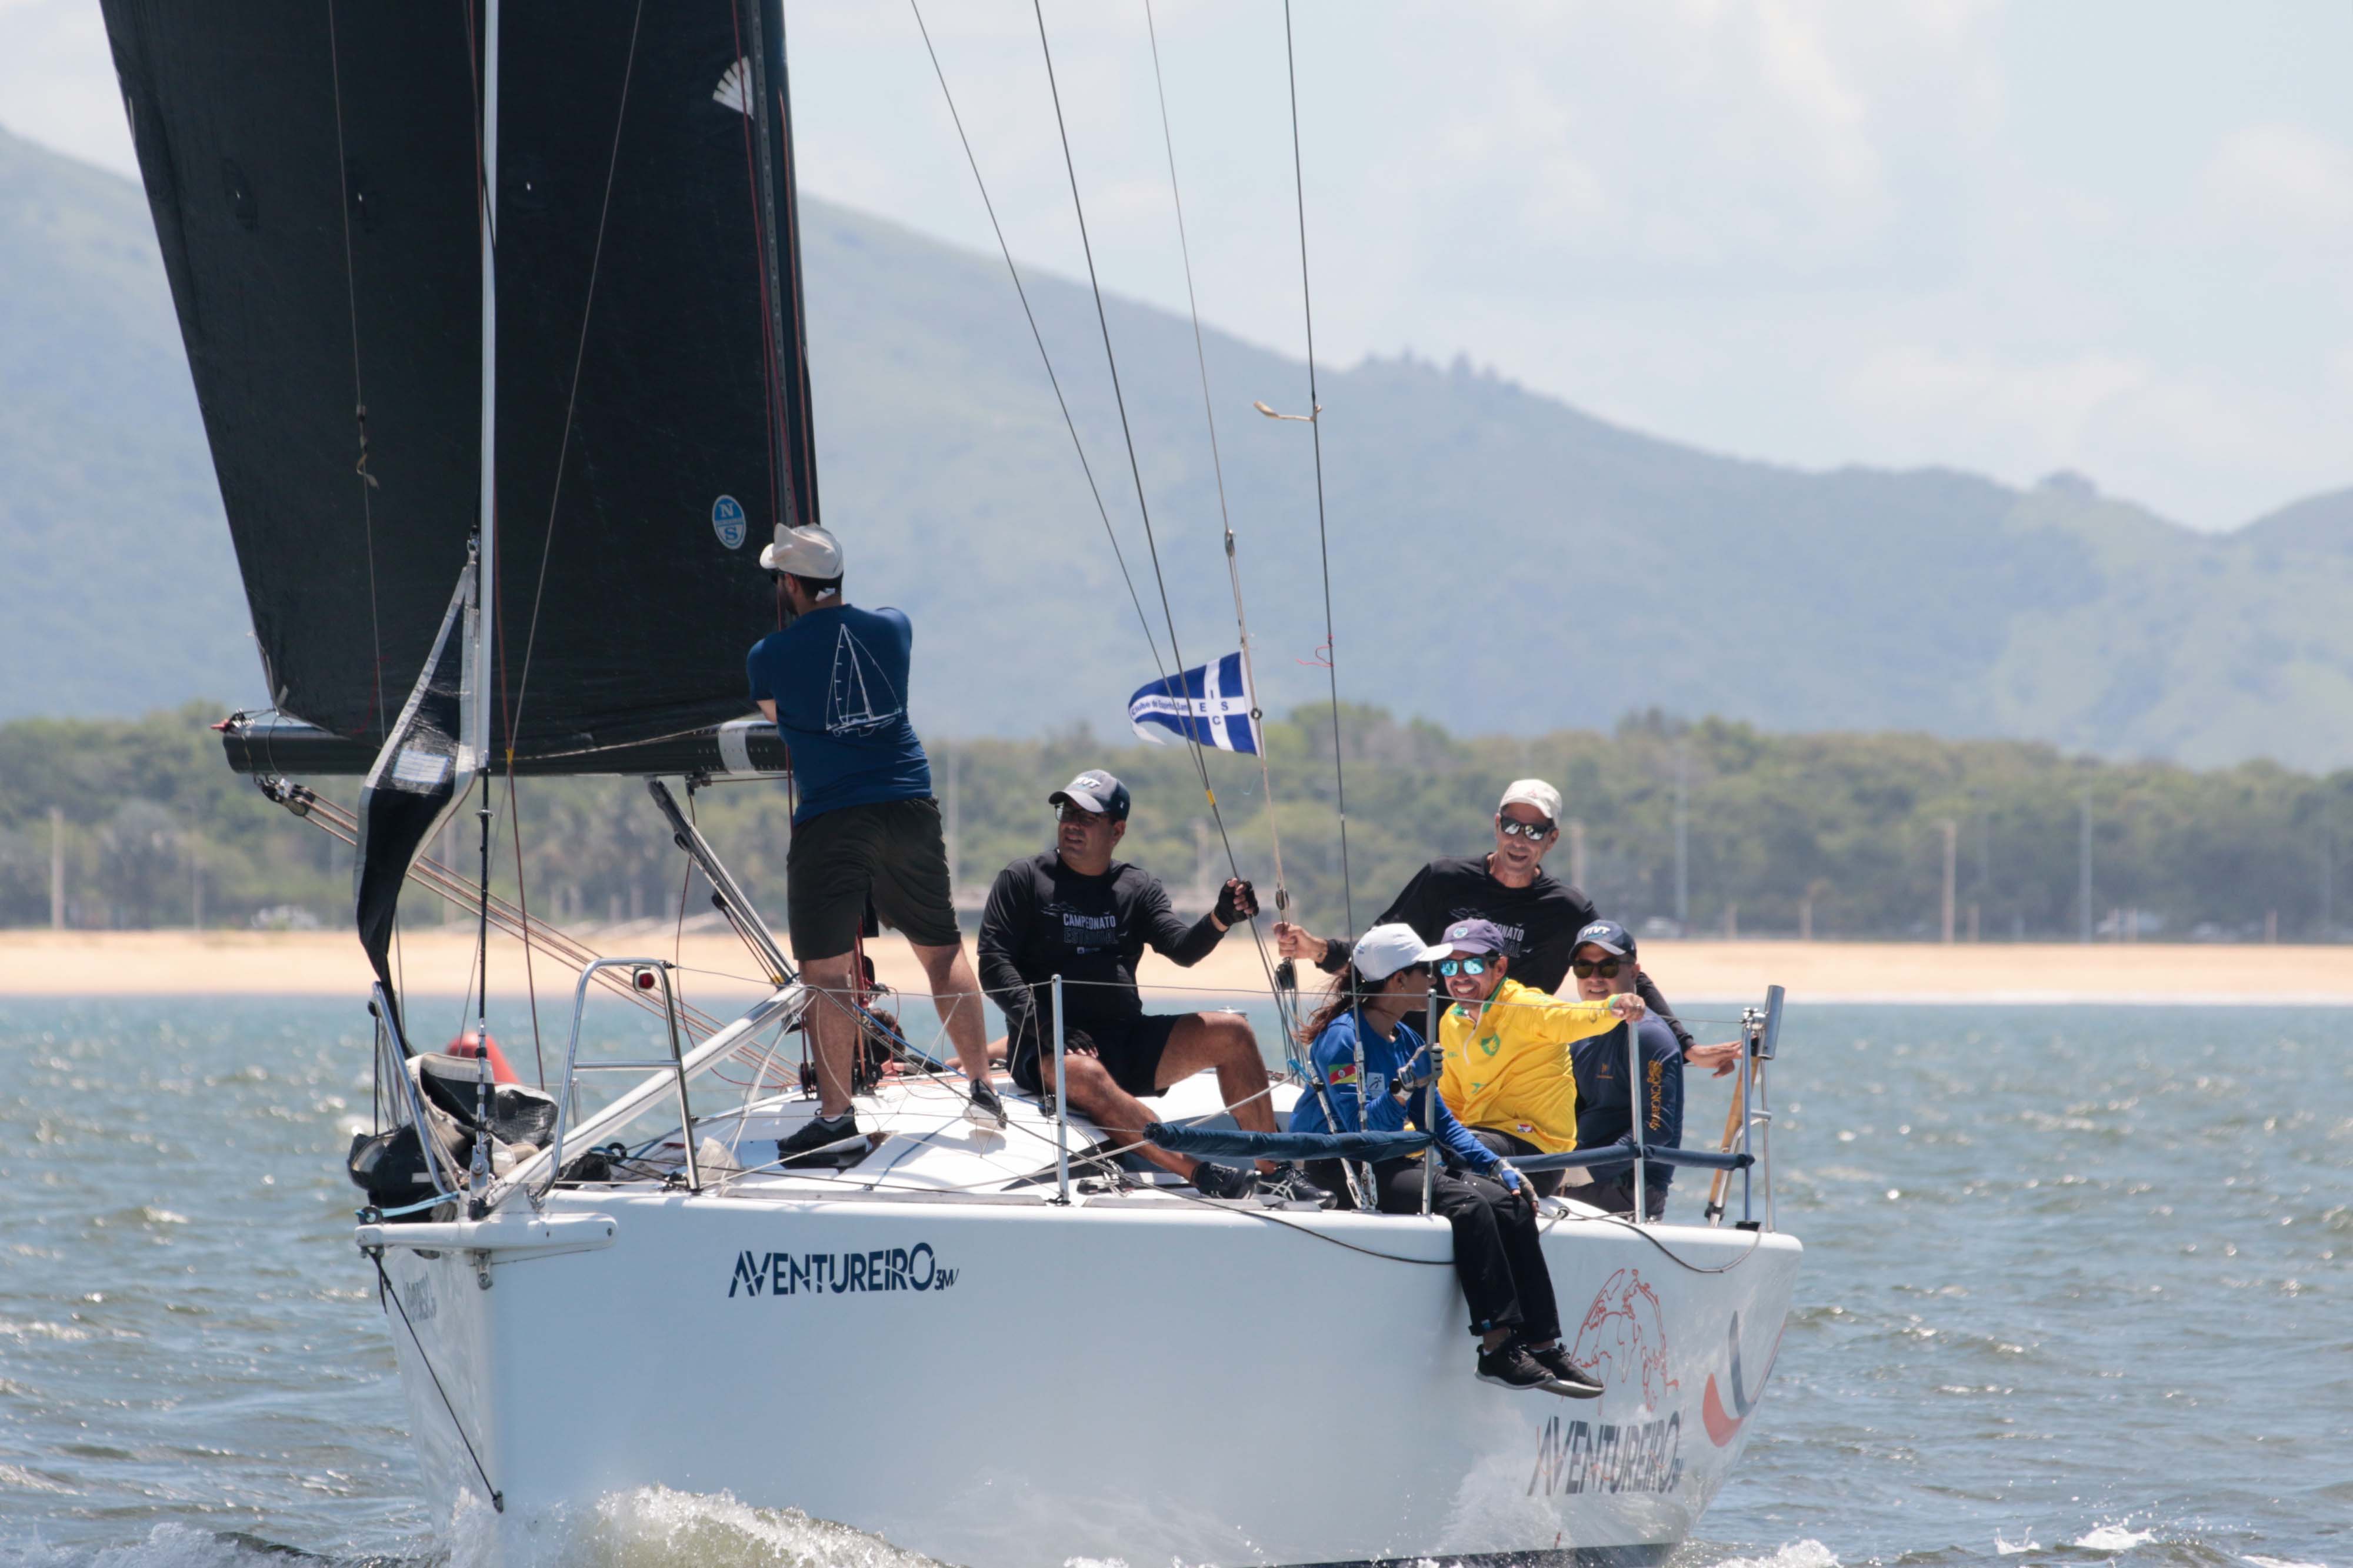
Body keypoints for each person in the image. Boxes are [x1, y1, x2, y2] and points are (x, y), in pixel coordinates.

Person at [746, 522, 1005, 1164]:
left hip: (832, 816)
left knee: (826, 972)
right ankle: (982, 1089)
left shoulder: (767, 656)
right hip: (909, 804)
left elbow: (783, 718)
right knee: (941, 949)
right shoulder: (894, 627)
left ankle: (837, 1119)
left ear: (789, 584)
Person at [978, 770, 1329, 1205]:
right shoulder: (1024, 878)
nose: (1071, 825)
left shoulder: (1136, 887)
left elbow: (1182, 949)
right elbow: (993, 966)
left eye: (1086, 818)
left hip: (1124, 1041)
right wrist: (1050, 1028)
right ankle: (1198, 1171)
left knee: (1234, 1032)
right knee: (1084, 1072)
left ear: (1117, 831)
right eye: (1067, 813)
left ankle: (1275, 1172)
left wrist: (1221, 918)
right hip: (1047, 1048)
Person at [1288, 923, 1602, 1397]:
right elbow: (1358, 1133)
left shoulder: (1405, 1040)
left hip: (1386, 1161)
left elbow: (1442, 1123)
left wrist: (1496, 1166)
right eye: (1426, 971)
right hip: (1341, 1167)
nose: (1435, 980)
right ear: (1398, 980)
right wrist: (1404, 1087)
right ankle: (1497, 1347)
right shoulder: (1341, 1040)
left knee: (1510, 1201)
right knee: (1469, 1206)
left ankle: (1543, 1344)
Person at [1274, 779, 1736, 1073]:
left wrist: (1686, 1046)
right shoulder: (1445, 879)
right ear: (1497, 825)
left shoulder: (1566, 909)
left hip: (1508, 1065)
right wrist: (1319, 950)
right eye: (1513, 826)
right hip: (1422, 1052)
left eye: (1535, 832)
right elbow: (1379, 951)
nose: (1521, 840)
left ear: (1552, 840)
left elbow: (1626, 970)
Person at [1431, 919, 1644, 1199]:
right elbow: (1452, 1099)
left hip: (1536, 1152)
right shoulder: (1451, 1020)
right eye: (1449, 967)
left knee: (1452, 1154)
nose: (1460, 977)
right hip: (1478, 1136)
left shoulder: (1525, 1006)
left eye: (1472, 965)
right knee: (1411, 1148)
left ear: (1500, 968)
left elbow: (1570, 1017)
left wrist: (1613, 1006)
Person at [1565, 920, 1684, 1220]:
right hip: (1574, 1173)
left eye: (1607, 967)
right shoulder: (1578, 1031)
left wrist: (1585, 1171)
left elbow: (1656, 1128)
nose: (1594, 978)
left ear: (1633, 972)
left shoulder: (1647, 1035)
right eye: (1583, 968)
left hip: (1629, 1187)